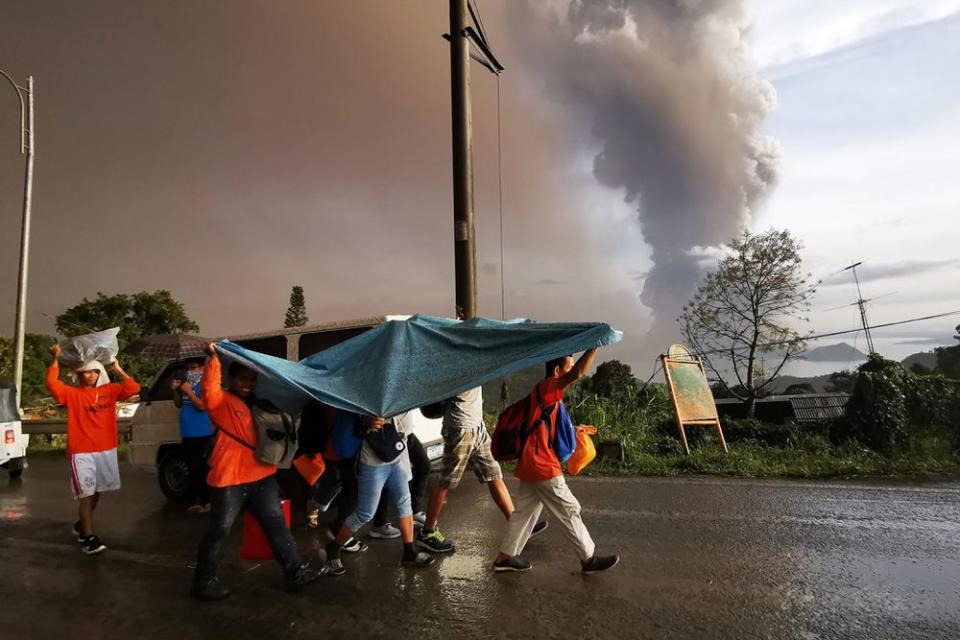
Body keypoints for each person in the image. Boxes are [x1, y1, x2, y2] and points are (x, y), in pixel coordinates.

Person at [192, 343, 319, 600]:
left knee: (276, 526)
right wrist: (214, 358)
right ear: (232, 379)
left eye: (251, 379)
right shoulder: (220, 402)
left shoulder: (261, 403)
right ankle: (203, 582)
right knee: (219, 531)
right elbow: (208, 390)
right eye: (242, 379)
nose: (247, 384)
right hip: (229, 479)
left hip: (262, 476)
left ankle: (295, 571)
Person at [493, 348, 620, 574]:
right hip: (542, 466)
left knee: (525, 513)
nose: (570, 373)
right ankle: (588, 560)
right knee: (569, 509)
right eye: (567, 368)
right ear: (556, 371)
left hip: (530, 464)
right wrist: (595, 345)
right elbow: (579, 373)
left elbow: (545, 425)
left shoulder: (544, 393)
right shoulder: (548, 387)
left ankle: (505, 558)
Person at [418, 387, 547, 553]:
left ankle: (517, 526)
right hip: (461, 427)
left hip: (478, 427)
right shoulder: (459, 363)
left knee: (494, 474)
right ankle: (428, 532)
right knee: (446, 481)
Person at [46, 343, 140, 556]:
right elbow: (52, 383)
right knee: (86, 494)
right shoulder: (72, 394)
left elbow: (134, 389)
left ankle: (81, 525)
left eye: (94, 371)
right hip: (82, 451)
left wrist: (117, 368)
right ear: (78, 375)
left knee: (97, 490)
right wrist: (56, 358)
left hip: (106, 449)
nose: (90, 375)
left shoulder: (110, 391)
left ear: (100, 373)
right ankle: (89, 537)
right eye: (86, 372)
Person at [325, 411, 434, 574]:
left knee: (405, 503)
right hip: (373, 460)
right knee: (365, 513)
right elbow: (355, 412)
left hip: (398, 453)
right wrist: (365, 420)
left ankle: (409, 552)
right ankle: (333, 548)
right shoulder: (370, 391)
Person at [171, 358, 212, 513]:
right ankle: (198, 500)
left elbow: (202, 406)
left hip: (201, 431)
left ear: (202, 368)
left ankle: (208, 501)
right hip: (187, 432)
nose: (191, 371)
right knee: (192, 468)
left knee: (202, 468)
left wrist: (188, 390)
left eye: (194, 367)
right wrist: (176, 390)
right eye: (189, 368)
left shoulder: (205, 384)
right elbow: (178, 404)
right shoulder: (186, 383)